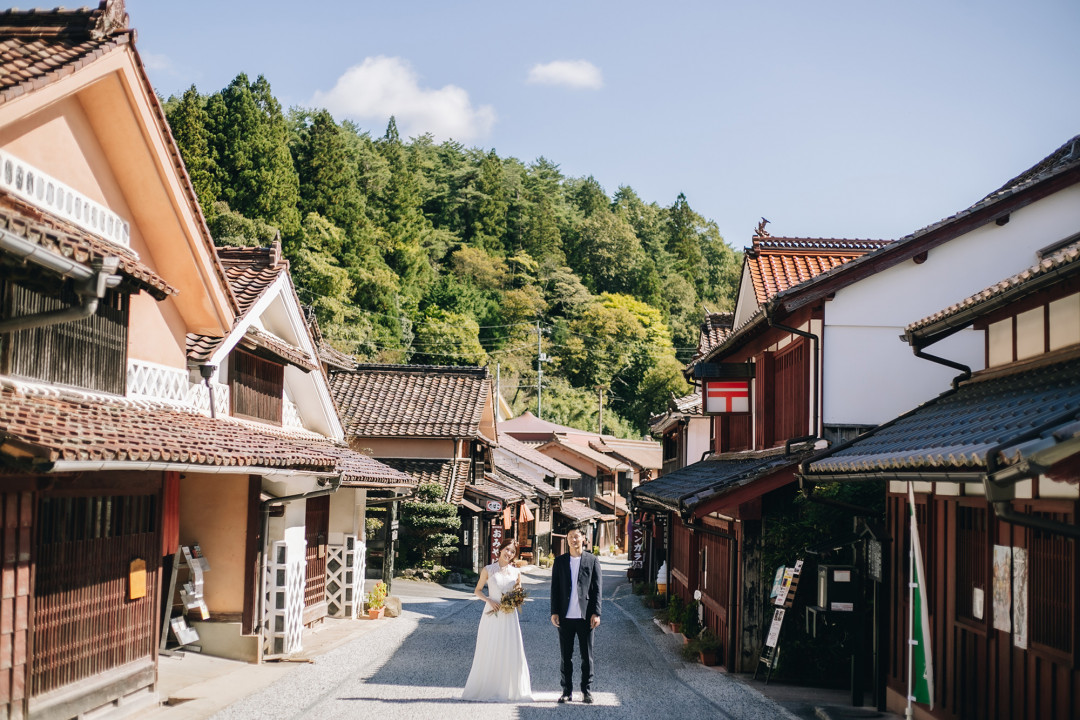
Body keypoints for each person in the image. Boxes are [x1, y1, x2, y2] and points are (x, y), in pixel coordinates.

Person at [461, 539, 533, 702]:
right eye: (507, 550)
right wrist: (488, 600)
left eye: (512, 552)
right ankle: (488, 686)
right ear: (500, 550)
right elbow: (477, 590)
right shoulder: (488, 570)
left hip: (509, 616)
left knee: (509, 648)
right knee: (490, 646)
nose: (509, 553)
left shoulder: (516, 573)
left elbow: (518, 594)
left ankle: (507, 688)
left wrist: (514, 602)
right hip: (491, 612)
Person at [550, 525, 602, 704]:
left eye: (577, 536)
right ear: (567, 539)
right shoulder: (560, 561)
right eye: (571, 536)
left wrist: (596, 612)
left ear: (583, 539)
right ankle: (566, 691)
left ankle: (586, 690)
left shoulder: (592, 560)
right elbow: (555, 589)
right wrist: (554, 612)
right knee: (566, 656)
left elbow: (597, 589)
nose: (574, 539)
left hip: (585, 617)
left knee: (586, 656)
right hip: (565, 617)